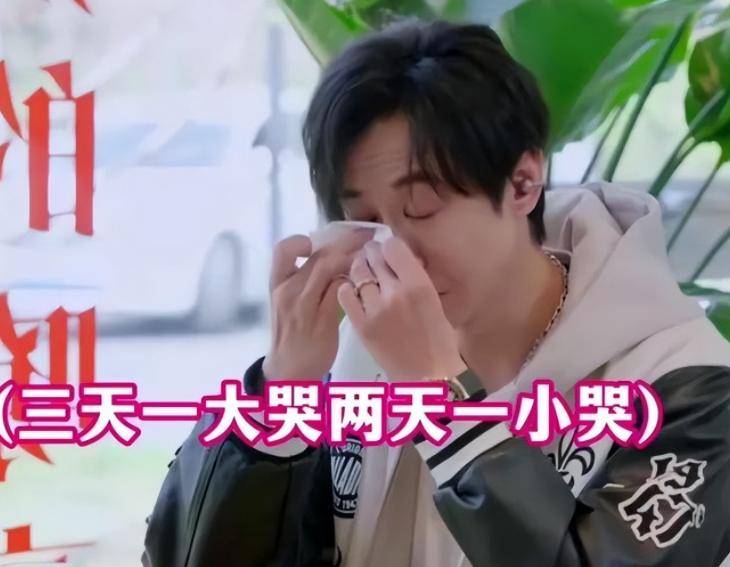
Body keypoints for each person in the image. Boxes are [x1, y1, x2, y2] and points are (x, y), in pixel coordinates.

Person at [141, 20, 730, 567]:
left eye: (422, 208)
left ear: (523, 182)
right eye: (367, 219)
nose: (395, 253)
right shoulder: (357, 357)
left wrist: (440, 400)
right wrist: (279, 393)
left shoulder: (686, 382)